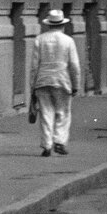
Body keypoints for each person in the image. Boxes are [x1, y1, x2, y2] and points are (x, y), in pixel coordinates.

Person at [31, 9, 82, 157]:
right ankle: (59, 141)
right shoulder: (68, 41)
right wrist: (76, 85)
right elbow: (74, 65)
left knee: (46, 113)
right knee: (63, 113)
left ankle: (46, 145)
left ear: (48, 25)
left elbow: (34, 66)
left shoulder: (39, 39)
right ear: (62, 25)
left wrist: (32, 86)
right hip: (62, 80)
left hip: (43, 80)